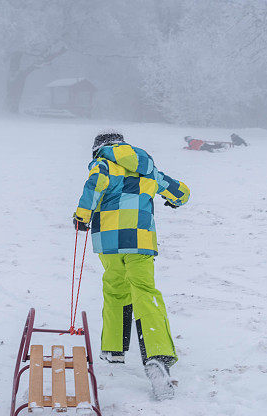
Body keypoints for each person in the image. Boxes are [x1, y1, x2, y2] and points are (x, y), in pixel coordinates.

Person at [73, 131, 190, 399]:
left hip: (109, 241)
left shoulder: (103, 163)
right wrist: (175, 199)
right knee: (144, 291)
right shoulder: (147, 168)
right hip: (140, 240)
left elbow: (94, 185)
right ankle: (158, 356)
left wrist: (82, 216)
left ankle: (114, 349)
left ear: (98, 148)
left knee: (115, 288)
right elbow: (180, 191)